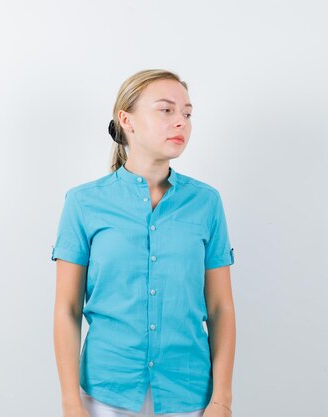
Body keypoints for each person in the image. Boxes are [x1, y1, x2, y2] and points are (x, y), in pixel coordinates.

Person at [51, 69, 236, 417]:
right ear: (127, 120)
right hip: (104, 397)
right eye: (166, 110)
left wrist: (222, 400)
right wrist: (71, 403)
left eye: (187, 113)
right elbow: (67, 309)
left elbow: (220, 308)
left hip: (190, 398)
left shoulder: (207, 203)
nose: (180, 122)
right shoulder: (83, 203)